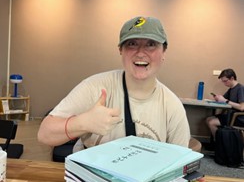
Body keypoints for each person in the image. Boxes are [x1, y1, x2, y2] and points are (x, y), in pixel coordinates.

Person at [38, 16, 190, 151]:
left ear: (164, 51)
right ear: (120, 50)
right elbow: (44, 134)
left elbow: (180, 163)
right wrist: (83, 122)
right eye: (132, 44)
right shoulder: (95, 87)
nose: (141, 52)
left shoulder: (172, 106)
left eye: (151, 44)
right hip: (91, 179)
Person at [206, 68, 244, 140]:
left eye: (225, 81)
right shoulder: (231, 89)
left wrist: (225, 101)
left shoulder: (240, 88)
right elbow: (223, 99)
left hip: (238, 118)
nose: (224, 84)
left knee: (211, 122)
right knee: (208, 119)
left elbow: (242, 107)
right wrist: (218, 98)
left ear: (232, 78)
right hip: (231, 115)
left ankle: (220, 144)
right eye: (223, 82)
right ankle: (218, 143)